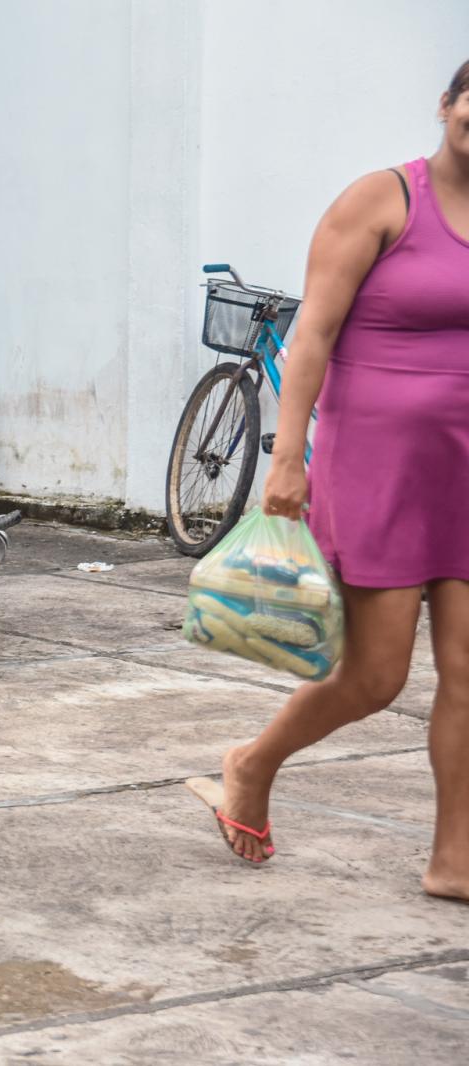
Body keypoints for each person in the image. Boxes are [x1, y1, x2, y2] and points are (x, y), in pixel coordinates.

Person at [191, 60, 469, 904]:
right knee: (376, 677)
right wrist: (285, 459)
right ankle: (250, 762)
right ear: (448, 104)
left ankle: (454, 861)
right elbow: (310, 333)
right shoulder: (380, 200)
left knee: (467, 676)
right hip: (379, 464)